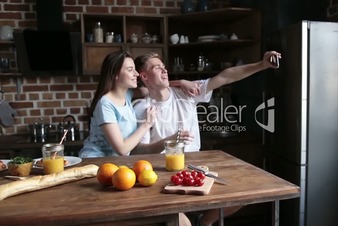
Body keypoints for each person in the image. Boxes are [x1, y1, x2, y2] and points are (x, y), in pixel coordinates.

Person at [133, 51, 281, 226]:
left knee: (248, 192)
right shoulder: (143, 107)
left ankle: (205, 221)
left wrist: (262, 65)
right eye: (157, 67)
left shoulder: (186, 92)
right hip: (162, 173)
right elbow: (139, 150)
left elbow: (226, 77)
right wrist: (170, 141)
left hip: (195, 164)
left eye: (164, 66)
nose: (164, 70)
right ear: (144, 75)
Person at [78, 50, 197, 158]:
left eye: (135, 69)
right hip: (96, 161)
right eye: (130, 70)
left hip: (116, 162)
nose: (136, 74)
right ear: (116, 75)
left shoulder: (128, 94)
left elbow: (156, 85)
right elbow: (122, 150)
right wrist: (147, 124)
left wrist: (181, 82)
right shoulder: (105, 104)